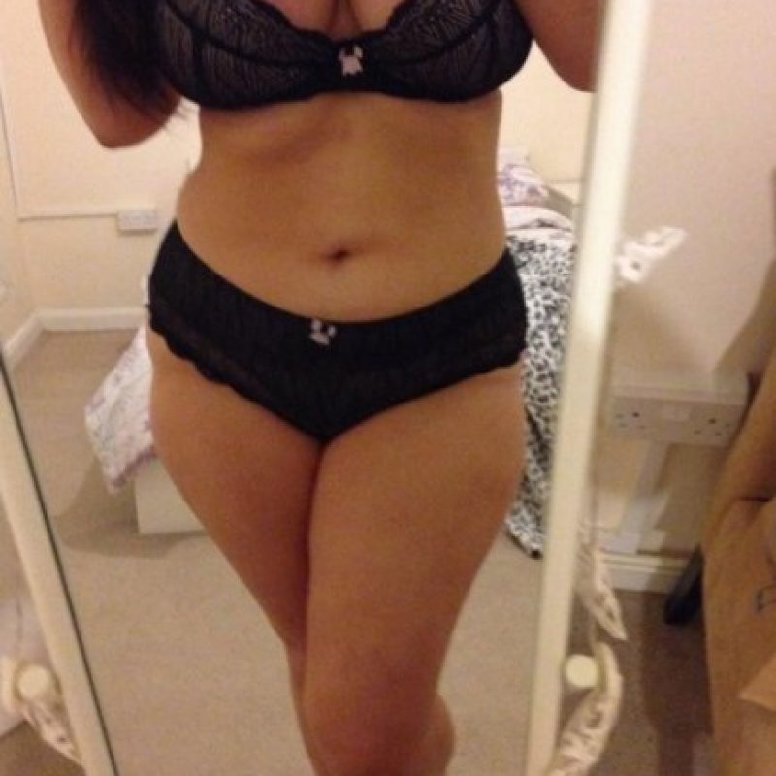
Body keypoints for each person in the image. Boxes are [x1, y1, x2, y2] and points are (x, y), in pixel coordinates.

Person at [40, 1, 599, 772]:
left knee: (365, 723)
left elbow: (595, 58)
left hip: (440, 353)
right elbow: (121, 118)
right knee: (321, 664)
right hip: (223, 342)